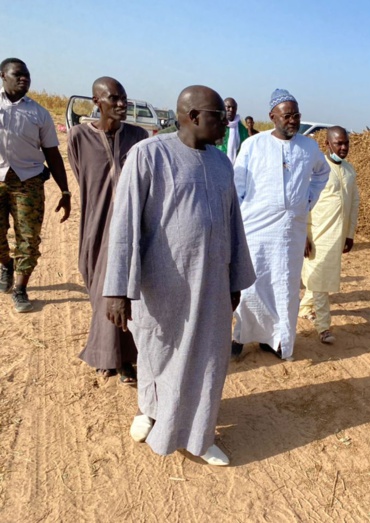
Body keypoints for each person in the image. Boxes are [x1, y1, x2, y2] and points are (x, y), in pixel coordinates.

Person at [103, 85, 255, 465]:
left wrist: (235, 279)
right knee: (160, 352)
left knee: (209, 358)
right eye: (218, 116)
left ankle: (199, 435)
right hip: (164, 284)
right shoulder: (149, 155)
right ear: (192, 117)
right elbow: (124, 226)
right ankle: (152, 412)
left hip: (212, 285)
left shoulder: (222, 165)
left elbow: (234, 224)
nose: (225, 123)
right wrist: (118, 289)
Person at [231, 89, 329, 360]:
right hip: (256, 228)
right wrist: (236, 224)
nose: (293, 121)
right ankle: (241, 335)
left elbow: (322, 173)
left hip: (289, 231)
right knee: (252, 284)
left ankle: (275, 339)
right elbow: (238, 186)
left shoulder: (309, 147)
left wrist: (306, 201)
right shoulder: (253, 145)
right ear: (272, 116)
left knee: (284, 286)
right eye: (287, 116)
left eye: (296, 115)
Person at [67, 77, 148, 384]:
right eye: (113, 99)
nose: (121, 104)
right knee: (98, 287)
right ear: (96, 102)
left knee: (119, 289)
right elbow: (83, 177)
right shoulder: (77, 137)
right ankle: (109, 354)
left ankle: (121, 360)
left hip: (130, 227)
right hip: (95, 225)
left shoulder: (138, 137)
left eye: (124, 98)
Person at [0, 58, 72, 312]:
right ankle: (6, 263)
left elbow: (52, 153)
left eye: (27, 75)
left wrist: (65, 191)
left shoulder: (39, 113)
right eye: (18, 74)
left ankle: (20, 289)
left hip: (28, 181)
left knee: (28, 238)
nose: (24, 79)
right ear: (2, 76)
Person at [300, 126, 359, 344]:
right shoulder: (316, 169)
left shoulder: (350, 170)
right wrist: (303, 234)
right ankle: (323, 327)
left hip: (338, 235)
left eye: (346, 143)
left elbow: (354, 203)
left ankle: (305, 307)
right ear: (328, 145)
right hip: (317, 235)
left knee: (318, 278)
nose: (343, 148)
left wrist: (350, 234)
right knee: (320, 279)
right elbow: (303, 203)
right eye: (338, 143)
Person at [216, 97, 248, 165]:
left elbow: (245, 149)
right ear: (223, 108)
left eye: (233, 108)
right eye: (228, 107)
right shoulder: (216, 126)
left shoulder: (242, 130)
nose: (231, 110)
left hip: (237, 166)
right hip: (218, 163)